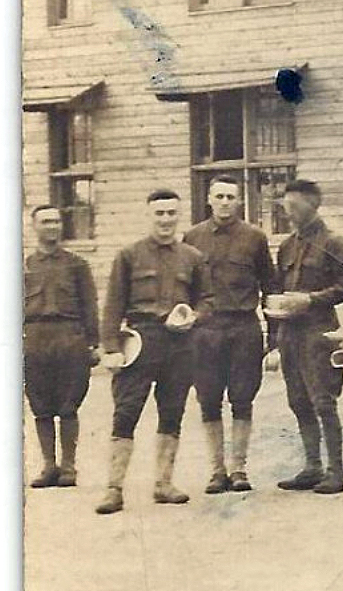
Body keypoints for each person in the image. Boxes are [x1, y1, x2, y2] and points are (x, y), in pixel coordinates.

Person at [96, 189, 206, 514]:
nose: (166, 220)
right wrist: (112, 349)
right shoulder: (128, 255)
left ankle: (163, 483)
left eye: (171, 213)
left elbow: (208, 300)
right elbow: (113, 305)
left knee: (172, 413)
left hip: (179, 344)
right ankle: (114, 489)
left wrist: (193, 317)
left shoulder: (192, 257)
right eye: (159, 213)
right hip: (141, 341)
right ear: (149, 216)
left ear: (179, 216)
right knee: (126, 412)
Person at [183, 175, 276, 493]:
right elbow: (185, 289)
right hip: (205, 331)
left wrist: (273, 340)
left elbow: (270, 288)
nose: (225, 202)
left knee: (242, 399)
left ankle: (239, 469)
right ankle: (216, 470)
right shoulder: (192, 238)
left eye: (230, 197)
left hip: (243, 328)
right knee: (208, 400)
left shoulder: (255, 238)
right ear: (209, 199)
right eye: (219, 196)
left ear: (239, 201)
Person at [269, 180, 343, 495]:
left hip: (319, 332)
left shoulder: (335, 243)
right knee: (298, 400)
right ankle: (312, 466)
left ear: (314, 205)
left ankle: (336, 471)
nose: (289, 212)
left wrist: (310, 299)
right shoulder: (286, 246)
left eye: (295, 206)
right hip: (289, 333)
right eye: (286, 206)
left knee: (323, 401)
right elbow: (279, 289)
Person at [24, 204, 98, 489]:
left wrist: (94, 344)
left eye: (55, 221)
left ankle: (69, 467)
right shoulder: (24, 264)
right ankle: (48, 466)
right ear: (35, 226)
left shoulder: (77, 264)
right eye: (45, 222)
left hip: (70, 336)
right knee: (40, 404)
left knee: (69, 403)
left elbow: (89, 305)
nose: (51, 226)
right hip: (35, 337)